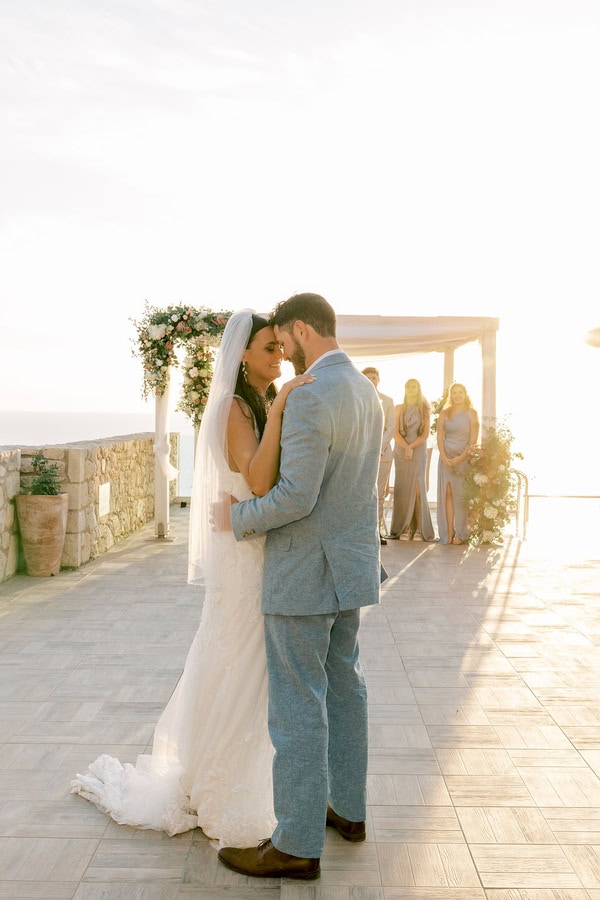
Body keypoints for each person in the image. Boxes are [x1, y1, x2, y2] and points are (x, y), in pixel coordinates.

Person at [71, 310, 312, 845]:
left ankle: (224, 772)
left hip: (250, 543)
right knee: (239, 656)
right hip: (243, 554)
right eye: (270, 348)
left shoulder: (258, 401)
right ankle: (219, 785)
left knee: (240, 659)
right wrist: (284, 409)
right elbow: (256, 476)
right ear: (242, 353)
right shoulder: (233, 408)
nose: (279, 357)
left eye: (280, 348)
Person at [216, 293, 383, 881]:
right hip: (352, 570)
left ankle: (295, 844)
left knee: (297, 709)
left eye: (285, 339)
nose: (283, 352)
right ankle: (349, 810)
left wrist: (234, 519)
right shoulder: (365, 390)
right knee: (346, 689)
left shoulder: (311, 394)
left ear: (304, 329)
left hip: (306, 574)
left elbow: (296, 496)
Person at [389, 378, 435, 542]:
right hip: (401, 449)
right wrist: (405, 447)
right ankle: (405, 528)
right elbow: (394, 433)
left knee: (417, 488)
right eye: (408, 386)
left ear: (419, 388)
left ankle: (419, 529)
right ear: (405, 388)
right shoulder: (398, 408)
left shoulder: (425, 409)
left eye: (414, 386)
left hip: (419, 448)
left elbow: (425, 434)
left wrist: (411, 447)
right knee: (403, 488)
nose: (411, 389)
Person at [436, 382, 479, 545]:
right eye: (454, 392)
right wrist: (444, 456)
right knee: (447, 493)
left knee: (460, 496)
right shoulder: (444, 413)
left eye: (460, 392)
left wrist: (461, 458)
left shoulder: (471, 413)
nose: (457, 395)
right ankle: (448, 531)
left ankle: (461, 533)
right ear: (451, 395)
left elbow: (473, 440)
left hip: (463, 457)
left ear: (465, 394)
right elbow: (440, 436)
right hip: (445, 456)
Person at [361, 367, 395, 544]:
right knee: (362, 492)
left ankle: (377, 531)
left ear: (378, 380)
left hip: (383, 454)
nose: (371, 381)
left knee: (379, 495)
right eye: (367, 378)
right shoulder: (357, 400)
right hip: (361, 454)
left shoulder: (388, 401)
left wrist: (377, 447)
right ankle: (362, 531)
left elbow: (391, 428)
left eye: (374, 378)